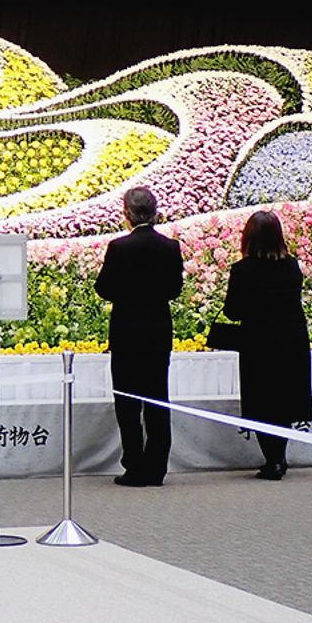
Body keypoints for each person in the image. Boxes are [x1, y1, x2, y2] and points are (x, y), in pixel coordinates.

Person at [95, 187, 184, 487]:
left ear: (127, 213)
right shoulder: (170, 247)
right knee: (158, 401)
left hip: (127, 333)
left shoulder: (119, 247)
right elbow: (174, 289)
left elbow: (103, 288)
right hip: (157, 332)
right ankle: (156, 468)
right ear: (155, 212)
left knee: (128, 404)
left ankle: (134, 466)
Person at [222, 210, 312, 480]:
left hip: (258, 342)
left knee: (261, 399)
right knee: (284, 398)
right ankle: (279, 456)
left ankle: (272, 459)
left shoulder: (243, 270)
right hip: (291, 339)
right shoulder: (292, 266)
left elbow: (232, 311)